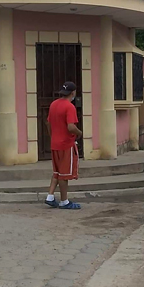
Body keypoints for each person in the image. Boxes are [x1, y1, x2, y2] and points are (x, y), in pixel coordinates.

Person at [44, 81, 83, 210]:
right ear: (73, 93)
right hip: (66, 144)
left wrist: (52, 136)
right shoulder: (69, 107)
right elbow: (71, 127)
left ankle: (50, 196)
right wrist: (79, 133)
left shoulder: (53, 104)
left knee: (57, 172)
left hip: (55, 142)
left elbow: (48, 123)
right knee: (64, 174)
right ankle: (64, 201)